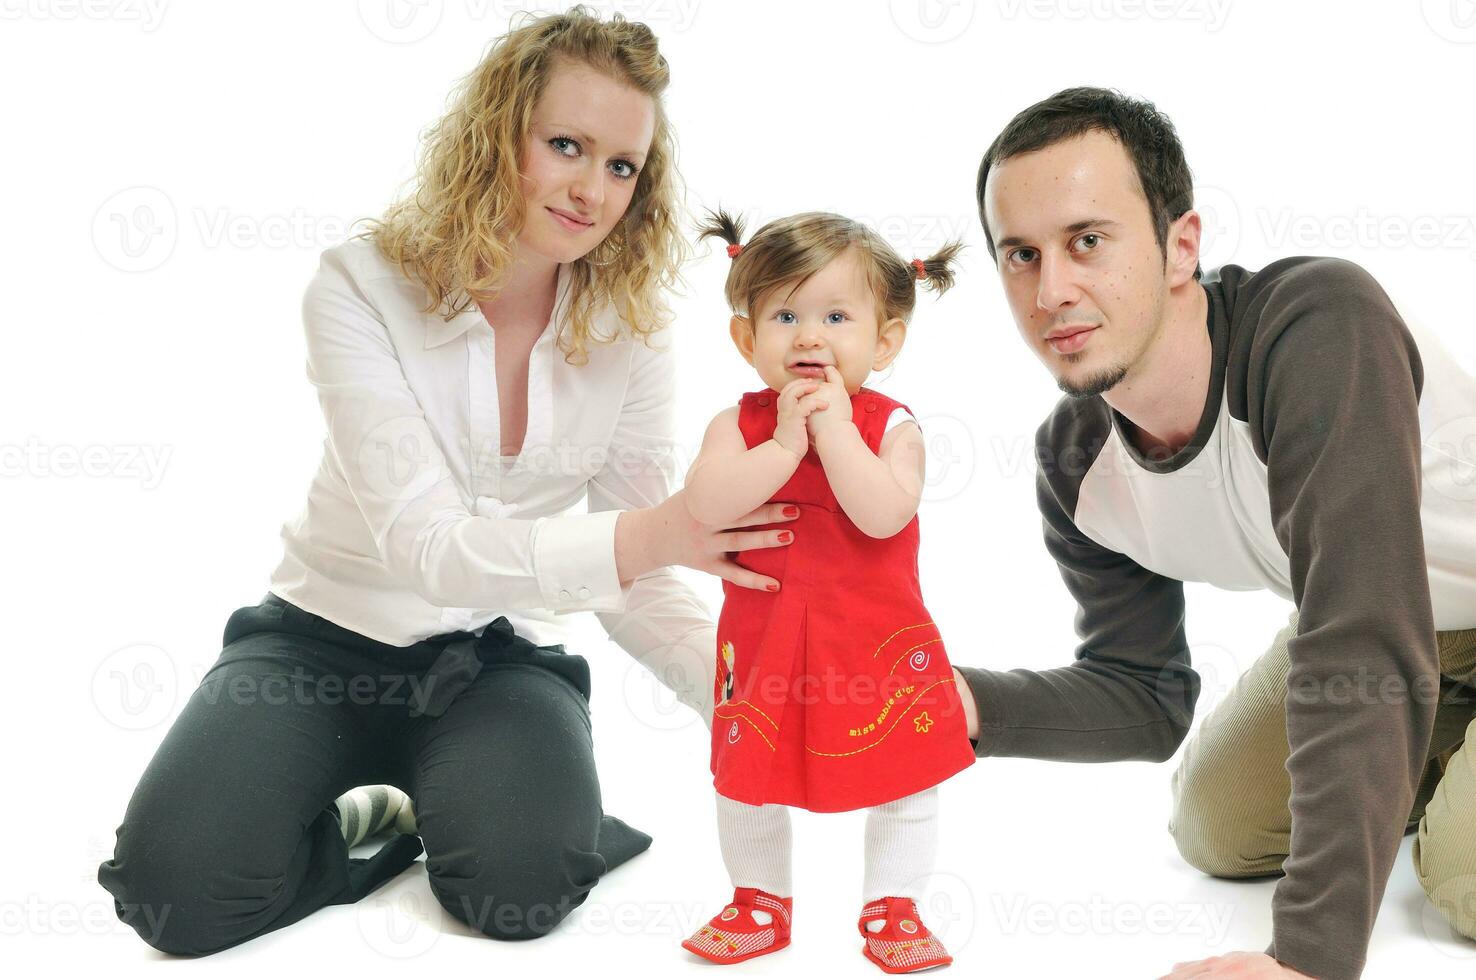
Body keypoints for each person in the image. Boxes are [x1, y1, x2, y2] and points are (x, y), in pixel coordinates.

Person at [94, 7, 800, 955]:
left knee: (525, 886)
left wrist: (747, 699)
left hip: (492, 661)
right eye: (566, 145)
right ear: (496, 135)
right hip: (313, 647)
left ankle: (504, 804)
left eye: (622, 166)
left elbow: (635, 580)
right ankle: (383, 826)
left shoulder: (630, 330)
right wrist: (659, 533)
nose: (592, 190)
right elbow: (429, 550)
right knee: (171, 895)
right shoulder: (359, 287)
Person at [952, 86, 1476, 980]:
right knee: (1217, 827)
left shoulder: (1315, 328)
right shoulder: (1075, 461)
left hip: (1383, 626)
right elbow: (1142, 692)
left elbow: (1360, 631)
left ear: (1180, 245)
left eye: (1087, 241)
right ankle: (1427, 747)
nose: (1052, 290)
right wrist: (961, 703)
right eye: (1020, 255)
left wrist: (1308, 958)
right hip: (1418, 637)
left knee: (1457, 873)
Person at [676, 209, 973, 973]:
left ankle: (894, 902)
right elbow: (706, 504)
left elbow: (883, 513)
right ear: (747, 340)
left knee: (907, 772)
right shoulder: (736, 425)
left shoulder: (890, 425)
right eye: (785, 315)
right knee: (747, 773)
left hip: (871, 639)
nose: (809, 337)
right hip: (770, 638)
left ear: (885, 340)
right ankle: (759, 899)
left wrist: (834, 432)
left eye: (835, 316)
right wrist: (783, 443)